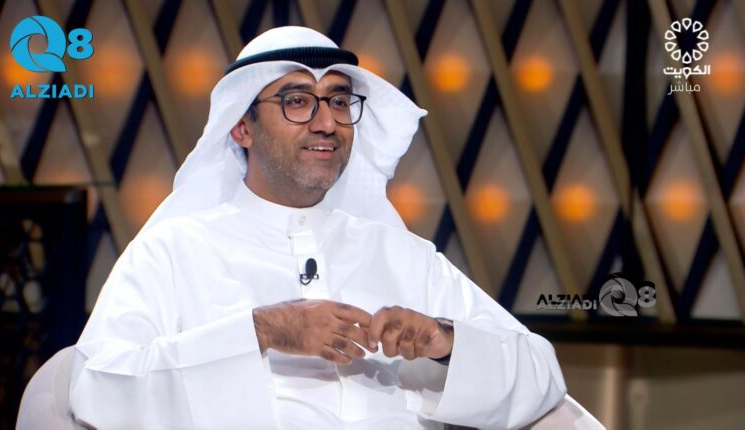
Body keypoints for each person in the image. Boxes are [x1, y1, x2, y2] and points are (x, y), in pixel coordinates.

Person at [68, 26, 566, 429]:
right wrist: (263, 331)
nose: (327, 122)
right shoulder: (173, 251)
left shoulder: (401, 253)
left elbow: (540, 375)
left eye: (338, 101)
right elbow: (97, 389)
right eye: (297, 100)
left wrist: (445, 341)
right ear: (241, 127)